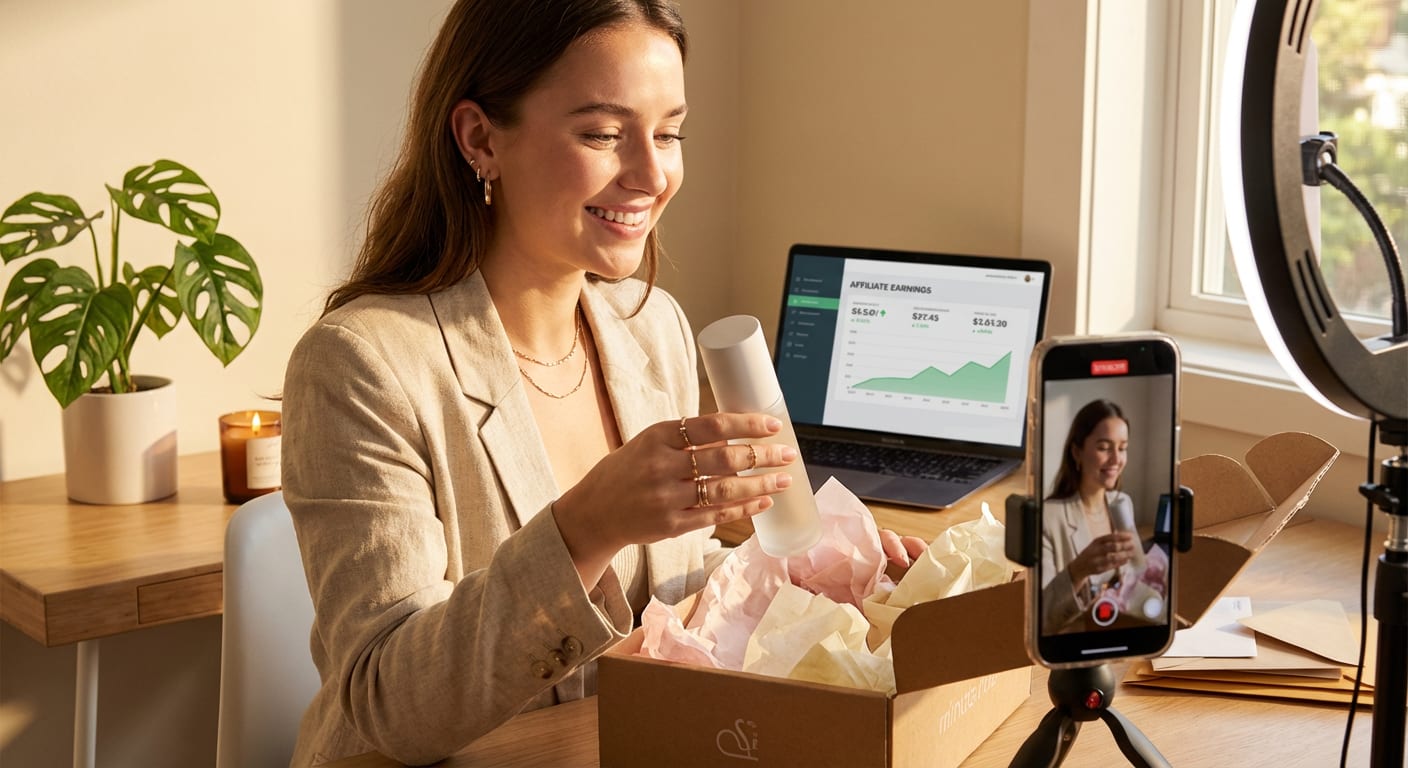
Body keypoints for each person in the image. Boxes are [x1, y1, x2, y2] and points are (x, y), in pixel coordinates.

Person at [280, 2, 922, 764]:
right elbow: (390, 703)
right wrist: (585, 528)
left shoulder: (652, 329)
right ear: (480, 138)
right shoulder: (362, 364)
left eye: (669, 133)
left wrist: (803, 586)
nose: (652, 176)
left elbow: (666, 602)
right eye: (603, 134)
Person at [1038, 398, 1142, 634]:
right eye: (1104, 448)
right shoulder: (1047, 517)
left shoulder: (1123, 504)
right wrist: (1077, 572)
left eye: (1122, 448)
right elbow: (1040, 617)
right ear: (1077, 452)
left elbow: (1136, 577)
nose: (1116, 460)